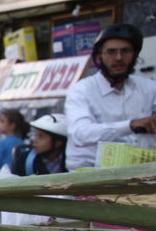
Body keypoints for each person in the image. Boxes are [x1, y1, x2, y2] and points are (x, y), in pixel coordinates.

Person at [65, 22, 156, 169]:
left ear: (135, 55)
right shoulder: (82, 90)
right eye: (111, 52)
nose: (119, 58)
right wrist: (130, 125)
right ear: (100, 56)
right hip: (91, 178)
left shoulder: (148, 87)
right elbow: (80, 134)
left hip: (138, 175)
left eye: (126, 51)